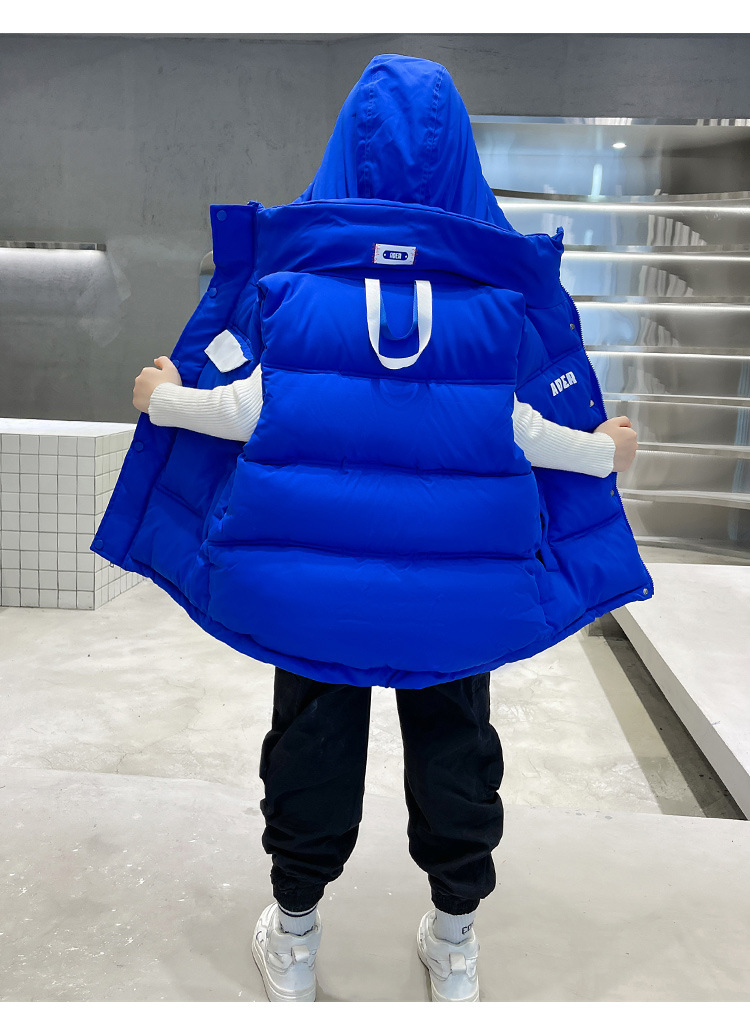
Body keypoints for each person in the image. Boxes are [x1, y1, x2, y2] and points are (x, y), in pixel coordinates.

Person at [129, 55, 639, 1003]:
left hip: (312, 589)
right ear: (464, 162)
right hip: (457, 595)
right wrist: (605, 451)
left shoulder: (295, 286)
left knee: (313, 741)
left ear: (340, 154)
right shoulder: (494, 303)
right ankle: (454, 942)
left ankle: (295, 935)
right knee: (455, 744)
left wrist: (164, 397)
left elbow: (244, 409)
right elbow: (528, 430)